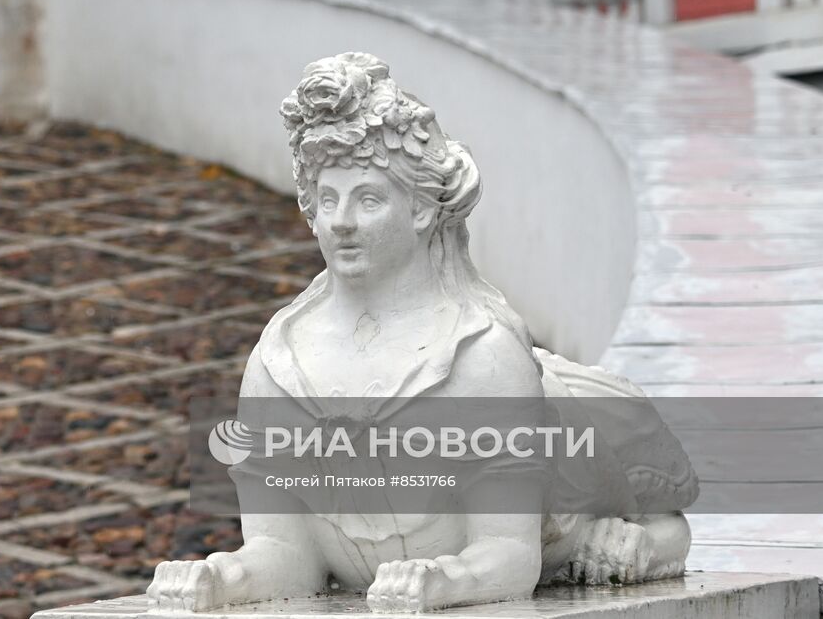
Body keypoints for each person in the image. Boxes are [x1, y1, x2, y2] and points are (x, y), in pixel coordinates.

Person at [147, 52, 695, 613]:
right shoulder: (275, 364)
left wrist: (447, 580)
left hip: (556, 494)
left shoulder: (481, 360)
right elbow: (289, 557)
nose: (340, 222)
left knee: (609, 461)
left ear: (420, 212)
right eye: (328, 200)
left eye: (368, 200)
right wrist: (223, 577)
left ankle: (653, 539)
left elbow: (508, 553)